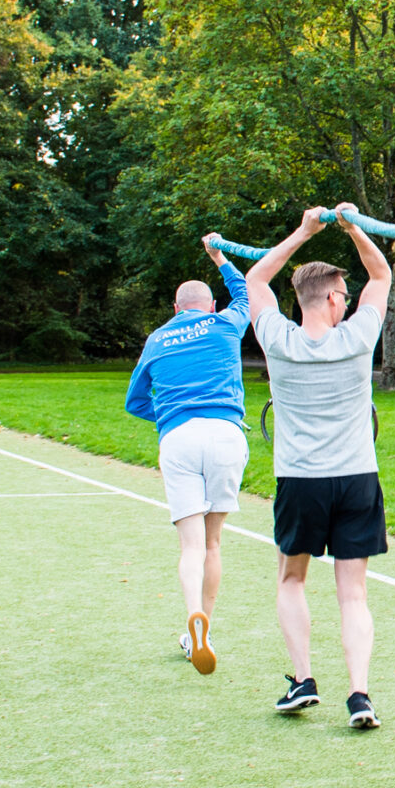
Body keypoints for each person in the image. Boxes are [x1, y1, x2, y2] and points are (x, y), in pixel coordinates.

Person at [244, 205, 393, 730]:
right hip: (356, 479)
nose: (348, 302)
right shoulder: (357, 340)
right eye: (344, 296)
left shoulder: (277, 341)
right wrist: (353, 228)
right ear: (333, 299)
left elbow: (255, 277)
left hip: (301, 481)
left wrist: (304, 232)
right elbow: (382, 274)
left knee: (291, 580)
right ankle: (359, 694)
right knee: (352, 591)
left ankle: (304, 679)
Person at [124, 235, 251, 675]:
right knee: (214, 542)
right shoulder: (226, 324)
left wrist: (168, 413)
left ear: (177, 309)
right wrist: (220, 257)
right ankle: (206, 628)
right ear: (210, 306)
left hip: (178, 437)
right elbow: (245, 293)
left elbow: (134, 401)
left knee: (190, 546)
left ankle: (193, 617)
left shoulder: (158, 339)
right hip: (226, 433)